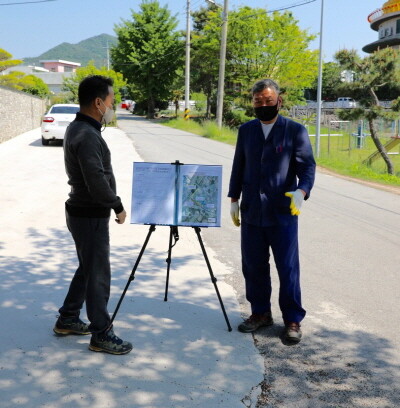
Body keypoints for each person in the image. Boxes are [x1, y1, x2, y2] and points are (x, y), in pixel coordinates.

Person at [228, 79, 316, 343]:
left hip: (282, 212)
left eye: (268, 100)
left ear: (279, 100)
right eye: (258, 101)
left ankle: (292, 319)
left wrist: (302, 192)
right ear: (252, 102)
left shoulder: (294, 131)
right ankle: (260, 313)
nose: (263, 105)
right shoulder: (247, 131)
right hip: (252, 211)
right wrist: (234, 198)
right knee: (253, 266)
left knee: (287, 267)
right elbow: (238, 165)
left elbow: (307, 168)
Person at [53, 75, 132, 355]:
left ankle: (68, 318)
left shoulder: (81, 128)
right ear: (98, 103)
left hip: (82, 212)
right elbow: (95, 181)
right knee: (98, 274)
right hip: (89, 214)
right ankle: (101, 333)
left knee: (88, 267)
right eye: (111, 101)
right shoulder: (86, 134)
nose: (113, 106)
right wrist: (117, 205)